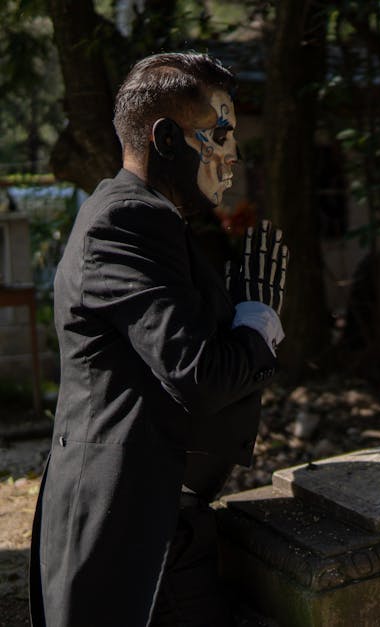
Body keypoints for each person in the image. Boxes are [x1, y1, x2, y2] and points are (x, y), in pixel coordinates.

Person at [28, 52, 288, 627]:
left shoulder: (144, 217)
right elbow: (199, 374)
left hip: (157, 515)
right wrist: (258, 323)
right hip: (130, 527)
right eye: (220, 134)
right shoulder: (128, 221)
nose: (231, 155)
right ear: (167, 139)